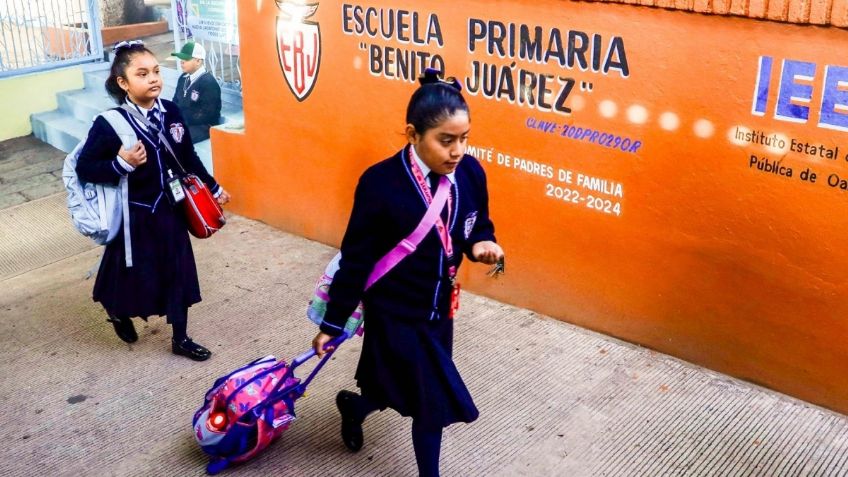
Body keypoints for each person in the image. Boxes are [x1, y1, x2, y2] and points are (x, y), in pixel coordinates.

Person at [311, 69, 505, 476]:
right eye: (446, 140)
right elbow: (357, 260)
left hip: (439, 311)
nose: (457, 151)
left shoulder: (471, 173)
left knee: (396, 386)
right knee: (431, 403)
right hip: (395, 312)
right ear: (412, 134)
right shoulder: (380, 183)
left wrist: (481, 244)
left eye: (465, 138)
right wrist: (333, 323)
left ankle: (356, 405)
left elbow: (477, 222)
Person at [75, 40, 231, 361]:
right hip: (134, 218)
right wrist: (122, 164)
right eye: (142, 74)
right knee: (128, 274)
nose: (154, 79)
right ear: (123, 83)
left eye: (157, 71)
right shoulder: (110, 124)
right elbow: (85, 167)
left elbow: (187, 156)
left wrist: (212, 188)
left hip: (171, 210)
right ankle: (117, 311)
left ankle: (181, 338)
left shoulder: (171, 111)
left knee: (178, 271)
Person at [170, 41, 221, 143]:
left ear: (198, 61)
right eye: (181, 58)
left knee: (175, 139)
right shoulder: (183, 78)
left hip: (203, 126)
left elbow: (207, 114)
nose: (182, 62)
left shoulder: (208, 83)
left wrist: (181, 119)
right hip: (184, 122)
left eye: (186, 59)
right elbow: (175, 101)